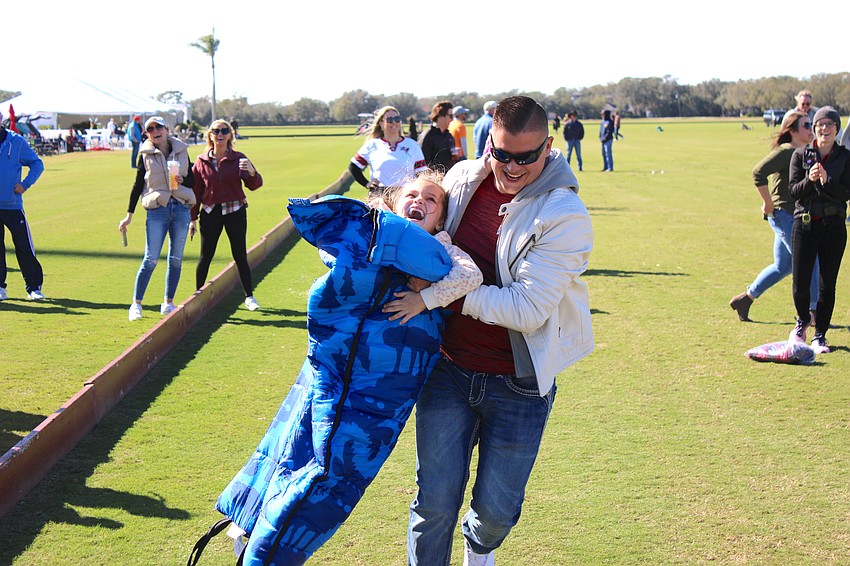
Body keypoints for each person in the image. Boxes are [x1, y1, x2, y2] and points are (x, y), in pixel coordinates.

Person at [202, 173, 482, 565]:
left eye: (432, 200)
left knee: (331, 466)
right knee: (293, 441)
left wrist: (426, 297)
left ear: (441, 219)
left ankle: (268, 546)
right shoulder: (373, 230)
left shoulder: (443, 250)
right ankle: (253, 524)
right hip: (331, 367)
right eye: (412, 195)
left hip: (380, 386)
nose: (420, 201)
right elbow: (335, 252)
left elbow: (471, 276)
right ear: (396, 202)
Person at [407, 96, 594, 565]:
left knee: (495, 513)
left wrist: (441, 290)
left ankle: (480, 549)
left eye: (525, 157)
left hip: (519, 383)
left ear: (548, 148)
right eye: (501, 152)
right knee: (433, 504)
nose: (509, 167)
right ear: (488, 139)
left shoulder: (566, 214)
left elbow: (528, 308)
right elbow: (422, 238)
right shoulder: (462, 177)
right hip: (447, 370)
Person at [729, 111, 818, 322]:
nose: (811, 129)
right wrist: (768, 203)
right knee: (808, 259)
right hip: (783, 214)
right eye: (806, 125)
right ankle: (814, 313)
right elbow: (758, 172)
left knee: (783, 266)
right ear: (793, 131)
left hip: (796, 215)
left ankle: (745, 299)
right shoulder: (786, 152)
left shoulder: (807, 151)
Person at [118, 116, 196, 321]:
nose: (155, 131)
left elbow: (193, 179)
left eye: (158, 127)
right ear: (147, 133)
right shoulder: (144, 154)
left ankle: (168, 303)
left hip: (180, 207)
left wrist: (182, 179)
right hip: (157, 208)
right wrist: (129, 216)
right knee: (151, 259)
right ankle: (136, 304)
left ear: (166, 129)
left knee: (176, 259)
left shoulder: (181, 150)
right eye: (150, 129)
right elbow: (137, 186)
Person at [787, 106, 850, 353]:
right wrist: (810, 179)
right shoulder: (800, 155)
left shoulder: (845, 157)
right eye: (820, 125)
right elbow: (794, 191)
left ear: (837, 129)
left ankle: (820, 334)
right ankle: (802, 322)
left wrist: (827, 180)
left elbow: (847, 192)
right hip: (804, 225)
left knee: (827, 284)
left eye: (830, 125)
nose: (825, 129)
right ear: (814, 129)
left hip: (834, 227)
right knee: (800, 283)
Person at [190, 119, 264, 311]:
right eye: (216, 131)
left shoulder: (239, 158)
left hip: (234, 211)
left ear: (230, 135)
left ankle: (249, 296)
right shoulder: (201, 161)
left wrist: (253, 172)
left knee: (239, 254)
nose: (220, 134)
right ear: (210, 135)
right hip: (210, 213)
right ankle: (198, 296)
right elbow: (196, 192)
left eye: (224, 131)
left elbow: (255, 185)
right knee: (206, 255)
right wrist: (192, 219)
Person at [0, 111, 46, 301]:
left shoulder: (16, 142)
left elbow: (37, 164)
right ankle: (0, 288)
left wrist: (25, 184)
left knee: (24, 246)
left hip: (12, 205)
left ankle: (33, 287)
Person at [348, 106, 427, 201]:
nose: (394, 122)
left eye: (397, 119)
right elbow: (353, 166)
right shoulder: (372, 145)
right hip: (379, 197)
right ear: (381, 123)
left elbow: (422, 173)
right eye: (389, 120)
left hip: (405, 196)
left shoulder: (412, 145)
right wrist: (367, 184)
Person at [420, 100, 456, 174]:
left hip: (449, 178)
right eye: (450, 116)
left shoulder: (448, 135)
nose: (452, 119)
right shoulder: (427, 136)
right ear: (441, 116)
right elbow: (423, 163)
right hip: (434, 180)